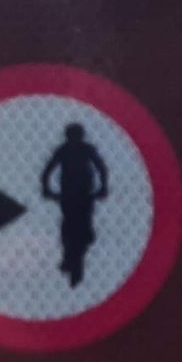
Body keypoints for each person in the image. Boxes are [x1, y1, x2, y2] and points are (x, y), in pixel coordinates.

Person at [40, 123, 109, 288]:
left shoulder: (86, 149)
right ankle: (68, 255)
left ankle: (74, 254)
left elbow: (100, 168)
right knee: (69, 225)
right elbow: (48, 170)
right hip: (70, 195)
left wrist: (103, 186)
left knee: (83, 227)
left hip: (83, 195)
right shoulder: (63, 150)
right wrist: (47, 188)